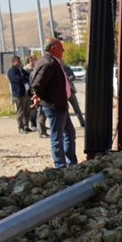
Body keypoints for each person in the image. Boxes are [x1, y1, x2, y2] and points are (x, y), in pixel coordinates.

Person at [30, 37, 78, 168]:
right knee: (58, 138)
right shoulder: (48, 62)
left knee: (69, 134)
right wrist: (37, 95)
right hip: (54, 106)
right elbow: (37, 84)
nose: (63, 50)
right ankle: (60, 166)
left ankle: (71, 163)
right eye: (61, 47)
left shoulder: (53, 61)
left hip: (60, 105)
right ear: (53, 48)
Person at [7, 55, 33, 134]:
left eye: (20, 61)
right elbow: (18, 79)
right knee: (20, 112)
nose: (20, 63)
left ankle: (26, 126)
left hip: (26, 93)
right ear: (14, 62)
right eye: (18, 61)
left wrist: (26, 78)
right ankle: (20, 127)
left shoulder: (21, 70)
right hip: (19, 94)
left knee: (27, 111)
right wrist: (25, 78)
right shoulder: (11, 71)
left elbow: (29, 76)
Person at [63, 62, 86, 128]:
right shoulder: (56, 69)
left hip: (71, 90)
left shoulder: (67, 68)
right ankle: (66, 125)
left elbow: (73, 76)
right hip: (62, 93)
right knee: (65, 108)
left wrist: (69, 78)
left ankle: (82, 123)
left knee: (76, 108)